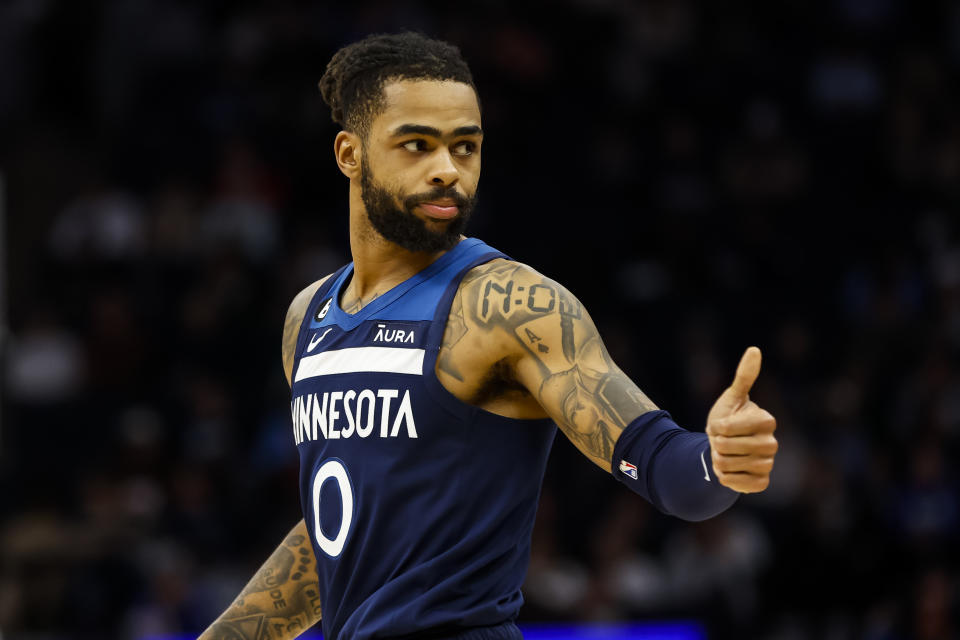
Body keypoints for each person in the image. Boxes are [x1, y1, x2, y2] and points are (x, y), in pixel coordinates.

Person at [198, 32, 779, 640]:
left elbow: (663, 466)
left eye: (465, 147)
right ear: (350, 153)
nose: (448, 170)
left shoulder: (508, 305)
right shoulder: (307, 316)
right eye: (417, 145)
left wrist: (717, 463)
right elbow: (343, 536)